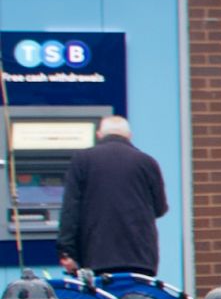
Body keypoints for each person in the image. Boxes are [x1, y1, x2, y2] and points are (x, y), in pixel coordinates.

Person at [56, 115, 168, 277]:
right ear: (129, 136)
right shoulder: (147, 162)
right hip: (140, 260)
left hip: (96, 259)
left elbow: (70, 210)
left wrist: (66, 252)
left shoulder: (82, 160)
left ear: (99, 135)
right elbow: (160, 208)